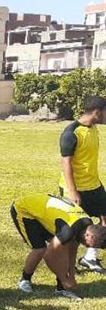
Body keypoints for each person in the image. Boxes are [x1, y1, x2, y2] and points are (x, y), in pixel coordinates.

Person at [12, 193, 106, 301]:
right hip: (24, 210)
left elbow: (72, 251)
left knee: (63, 247)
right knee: (40, 249)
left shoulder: (86, 225)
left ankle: (61, 288)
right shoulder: (69, 231)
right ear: (89, 235)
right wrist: (64, 279)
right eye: (88, 245)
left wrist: (71, 276)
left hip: (45, 211)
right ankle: (24, 280)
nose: (86, 246)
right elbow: (49, 255)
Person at [58, 96, 106, 273]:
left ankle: (90, 257)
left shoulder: (93, 128)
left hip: (94, 185)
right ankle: (68, 266)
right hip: (76, 189)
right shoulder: (71, 133)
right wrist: (73, 191)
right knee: (76, 230)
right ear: (97, 112)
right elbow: (66, 164)